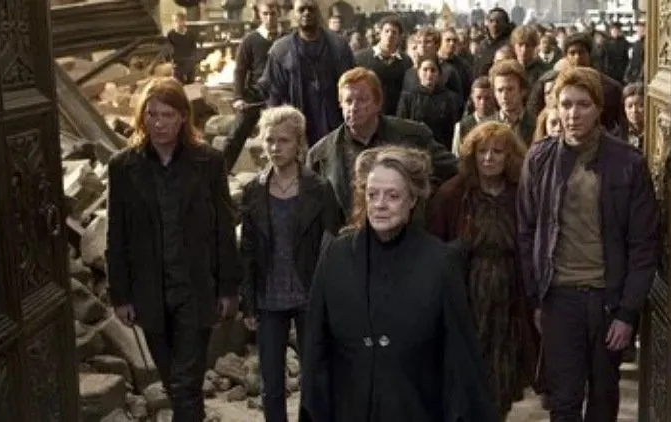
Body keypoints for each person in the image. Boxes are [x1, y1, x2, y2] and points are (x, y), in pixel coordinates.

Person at [300, 145, 497, 422]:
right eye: (372, 194)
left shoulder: (439, 261)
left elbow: (459, 359)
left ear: (413, 199)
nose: (380, 204)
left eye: (392, 196)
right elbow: (316, 348)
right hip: (349, 408)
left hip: (415, 407)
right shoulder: (336, 256)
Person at [516, 66, 659, 421]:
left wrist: (627, 312)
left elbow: (643, 244)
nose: (573, 114)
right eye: (566, 104)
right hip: (559, 297)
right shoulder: (540, 158)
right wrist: (536, 298)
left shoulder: (627, 163)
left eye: (583, 105)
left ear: (598, 109)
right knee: (563, 400)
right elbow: (527, 231)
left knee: (603, 398)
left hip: (607, 298)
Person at [106, 77, 240, 422]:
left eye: (167, 115)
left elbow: (224, 229)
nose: (158, 123)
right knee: (174, 382)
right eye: (151, 114)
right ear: (142, 117)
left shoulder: (209, 162)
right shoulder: (122, 167)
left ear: (183, 117)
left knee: (184, 384)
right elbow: (115, 236)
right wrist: (120, 295)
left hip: (195, 289)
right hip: (149, 291)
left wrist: (228, 288)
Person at [240, 105, 343, 422]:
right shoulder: (253, 190)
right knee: (271, 383)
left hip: (309, 295)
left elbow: (334, 245)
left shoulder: (319, 189)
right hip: (269, 296)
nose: (275, 148)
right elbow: (247, 250)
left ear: (298, 143)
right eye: (269, 140)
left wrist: (332, 299)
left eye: (283, 140)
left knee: (314, 377)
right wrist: (248, 303)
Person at [428, 122, 534, 420]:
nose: (489, 158)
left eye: (497, 152)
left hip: (509, 301)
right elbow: (435, 247)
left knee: (502, 379)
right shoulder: (453, 194)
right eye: (482, 151)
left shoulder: (521, 194)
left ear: (509, 157)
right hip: (467, 300)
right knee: (466, 378)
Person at [308, 67, 457, 214]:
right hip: (347, 227)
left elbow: (455, 170)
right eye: (348, 101)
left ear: (378, 103)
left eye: (362, 100)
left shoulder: (413, 136)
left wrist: (431, 205)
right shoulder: (320, 155)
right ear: (340, 104)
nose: (353, 107)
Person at [257, 0, 355, 145]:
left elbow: (353, 84)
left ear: (318, 12)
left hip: (335, 122)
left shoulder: (339, 46)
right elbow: (274, 96)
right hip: (297, 126)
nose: (307, 13)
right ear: (294, 14)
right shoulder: (281, 51)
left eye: (311, 9)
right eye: (301, 9)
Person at [224, 0, 281, 170]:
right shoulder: (250, 40)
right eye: (265, 14)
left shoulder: (286, 39)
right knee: (235, 135)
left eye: (273, 14)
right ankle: (218, 176)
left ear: (278, 13)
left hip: (279, 97)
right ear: (259, 15)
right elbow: (240, 71)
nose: (269, 18)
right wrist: (238, 97)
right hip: (255, 96)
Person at [396, 55, 463, 148]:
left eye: (433, 70)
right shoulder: (408, 97)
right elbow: (401, 125)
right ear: (418, 72)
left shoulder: (449, 98)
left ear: (439, 74)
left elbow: (452, 129)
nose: (429, 74)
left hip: (440, 147)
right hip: (414, 147)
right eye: (425, 70)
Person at [166, 13, 198, 84]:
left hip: (189, 63)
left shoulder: (190, 34)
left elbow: (194, 48)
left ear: (184, 21)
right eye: (175, 21)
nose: (177, 23)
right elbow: (168, 49)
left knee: (191, 84)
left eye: (179, 21)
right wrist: (170, 62)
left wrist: (193, 60)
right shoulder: (171, 34)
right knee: (178, 84)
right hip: (177, 65)